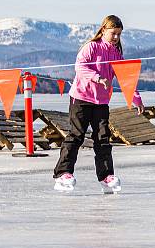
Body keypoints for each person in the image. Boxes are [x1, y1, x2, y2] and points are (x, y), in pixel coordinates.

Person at [53, 15, 144, 193]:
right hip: (81, 98)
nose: (116, 37)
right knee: (76, 135)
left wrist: (137, 99)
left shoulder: (116, 53)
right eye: (113, 33)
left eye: (119, 34)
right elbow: (80, 67)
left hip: (101, 102)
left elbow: (126, 78)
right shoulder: (91, 47)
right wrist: (98, 78)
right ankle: (63, 173)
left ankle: (106, 176)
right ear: (103, 30)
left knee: (102, 139)